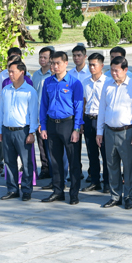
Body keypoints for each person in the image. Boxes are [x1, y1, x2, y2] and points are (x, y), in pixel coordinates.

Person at [96, 56, 132, 210]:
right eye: (112, 70)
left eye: (117, 70)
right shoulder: (107, 85)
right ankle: (115, 196)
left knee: (128, 166)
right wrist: (99, 131)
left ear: (125, 70)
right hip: (109, 131)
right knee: (111, 164)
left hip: (126, 132)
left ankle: (129, 197)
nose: (113, 73)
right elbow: (102, 108)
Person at [39, 51, 85, 205]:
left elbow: (79, 107)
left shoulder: (74, 83)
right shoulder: (48, 82)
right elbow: (43, 105)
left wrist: (76, 129)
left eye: (58, 63)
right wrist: (43, 126)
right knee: (55, 160)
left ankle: (74, 193)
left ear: (66, 63)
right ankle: (58, 191)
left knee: (74, 160)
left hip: (68, 124)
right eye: (52, 63)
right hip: (52, 123)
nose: (55, 66)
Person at [0, 60, 39, 201]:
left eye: (12, 71)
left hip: (23, 131)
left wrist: (32, 132)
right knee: (9, 161)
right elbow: (0, 112)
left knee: (26, 162)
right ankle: (12, 189)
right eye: (9, 71)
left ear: (22, 72)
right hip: (7, 129)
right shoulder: (6, 90)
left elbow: (34, 113)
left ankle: (26, 190)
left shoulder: (29, 91)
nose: (10, 74)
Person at [82, 53, 110, 194]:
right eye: (90, 65)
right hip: (88, 119)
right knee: (91, 153)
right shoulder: (85, 82)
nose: (92, 67)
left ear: (101, 66)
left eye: (94, 65)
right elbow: (84, 102)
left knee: (105, 153)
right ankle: (94, 181)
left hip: (102, 121)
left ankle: (107, 181)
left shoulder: (108, 82)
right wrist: (81, 121)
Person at [32, 46, 54, 180]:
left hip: (49, 116)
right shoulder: (35, 75)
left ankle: (53, 170)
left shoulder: (53, 75)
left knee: (50, 145)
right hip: (38, 116)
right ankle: (45, 168)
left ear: (51, 59)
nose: (42, 59)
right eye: (40, 57)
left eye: (45, 57)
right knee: (41, 145)